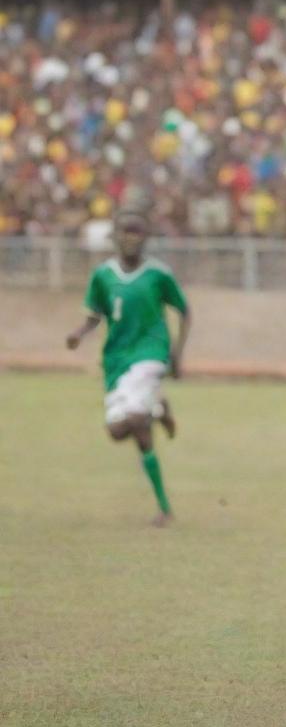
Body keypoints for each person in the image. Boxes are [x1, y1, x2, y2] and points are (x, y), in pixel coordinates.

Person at [66, 206, 190, 526]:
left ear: (146, 237)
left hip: (150, 354)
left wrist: (177, 352)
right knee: (122, 432)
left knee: (135, 419)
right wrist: (79, 334)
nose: (131, 238)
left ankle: (164, 511)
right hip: (117, 360)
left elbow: (184, 310)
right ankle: (158, 411)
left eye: (137, 232)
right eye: (125, 232)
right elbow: (95, 315)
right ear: (115, 237)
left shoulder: (158, 274)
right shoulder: (103, 276)